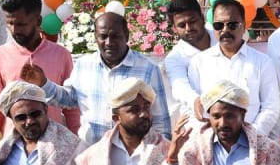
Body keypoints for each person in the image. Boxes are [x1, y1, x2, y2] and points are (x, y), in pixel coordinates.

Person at [20, 12, 172, 145]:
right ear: (95, 37)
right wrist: (44, 84)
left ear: (126, 35)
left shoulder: (148, 68)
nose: (109, 42)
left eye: (115, 36)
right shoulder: (84, 65)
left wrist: (161, 155)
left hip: (135, 157)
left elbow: (160, 121)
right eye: (103, 36)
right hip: (92, 154)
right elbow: (69, 99)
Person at [0, 0, 79, 135]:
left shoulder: (61, 55)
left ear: (38, 21)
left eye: (21, 24)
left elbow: (72, 107)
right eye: (10, 24)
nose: (14, 30)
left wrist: (77, 143)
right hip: (13, 149)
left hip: (54, 147)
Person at [186, 0, 280, 137]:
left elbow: (270, 107)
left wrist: (250, 136)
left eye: (232, 25)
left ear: (244, 26)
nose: (225, 30)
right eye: (219, 25)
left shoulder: (262, 62)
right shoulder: (199, 62)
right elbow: (193, 108)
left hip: (253, 142)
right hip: (211, 143)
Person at [165, 0, 216, 116]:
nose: (188, 28)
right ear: (174, 29)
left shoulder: (220, 37)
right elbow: (179, 86)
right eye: (182, 25)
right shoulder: (175, 57)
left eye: (192, 21)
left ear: (202, 18)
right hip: (199, 116)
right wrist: (195, 100)